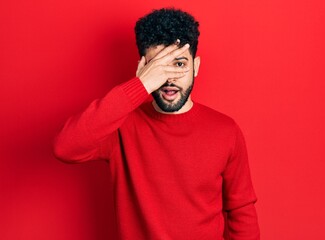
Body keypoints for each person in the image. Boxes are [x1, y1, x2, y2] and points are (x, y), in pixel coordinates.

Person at [53, 8, 260, 240]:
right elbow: (66, 147)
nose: (169, 78)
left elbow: (241, 210)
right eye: (159, 67)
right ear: (144, 68)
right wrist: (139, 86)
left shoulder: (226, 131)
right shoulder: (120, 126)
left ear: (196, 66)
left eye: (179, 64)